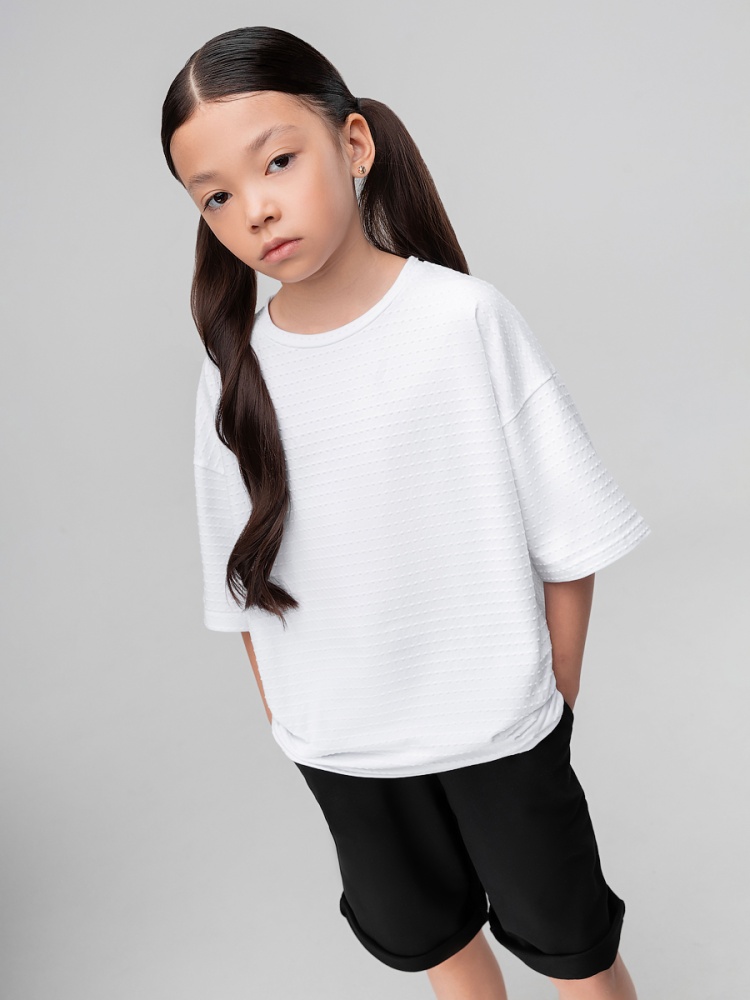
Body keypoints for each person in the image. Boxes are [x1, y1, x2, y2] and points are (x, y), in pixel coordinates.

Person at [161, 25, 649, 1000]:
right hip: (343, 748)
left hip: (498, 729)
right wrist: (297, 718)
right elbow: (243, 584)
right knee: (438, 947)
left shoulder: (463, 320)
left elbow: (571, 533)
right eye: (215, 196)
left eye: (278, 161)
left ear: (353, 145)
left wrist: (549, 696)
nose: (255, 209)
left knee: (574, 952)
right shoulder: (235, 374)